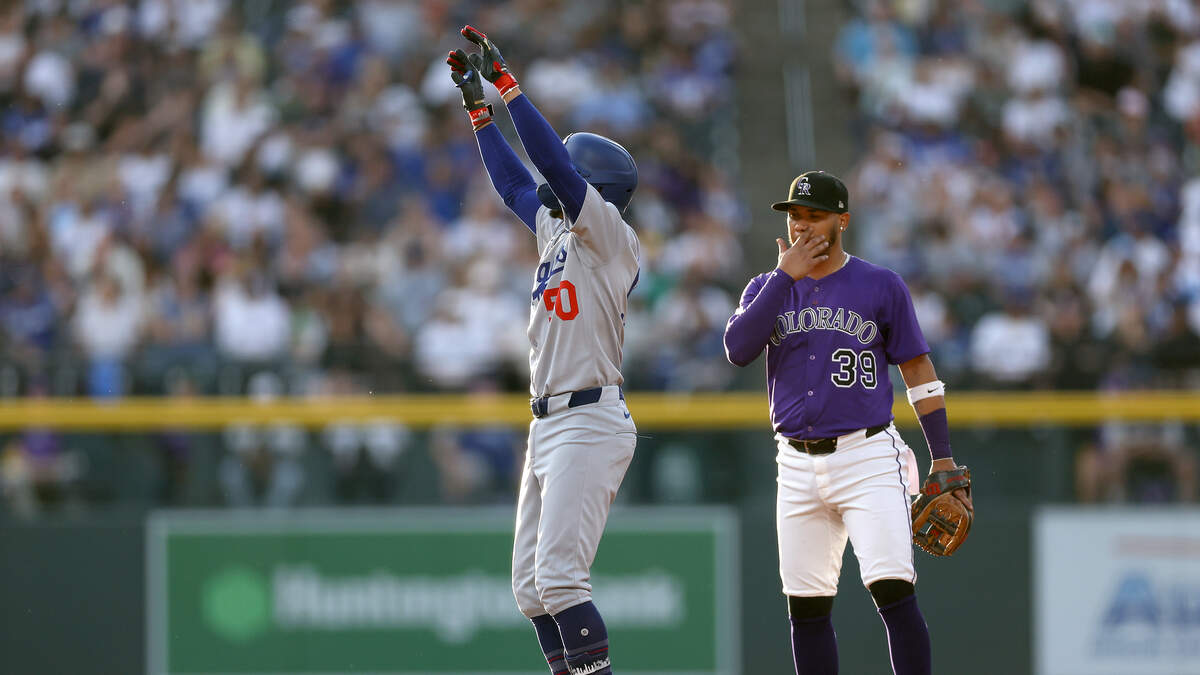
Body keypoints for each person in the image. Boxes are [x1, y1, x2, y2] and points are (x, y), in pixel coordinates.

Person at [723, 171, 974, 675]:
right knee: (807, 608)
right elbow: (738, 349)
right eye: (795, 216)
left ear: (843, 221)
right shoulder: (767, 287)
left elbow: (918, 372)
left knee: (893, 592)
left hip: (867, 456)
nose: (802, 226)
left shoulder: (880, 284)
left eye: (815, 216)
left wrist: (942, 456)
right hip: (794, 462)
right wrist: (784, 277)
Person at [448, 25, 640, 675]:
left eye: (572, 168)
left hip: (588, 416)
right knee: (531, 590)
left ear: (595, 185)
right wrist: (480, 115)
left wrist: (509, 87)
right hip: (548, 420)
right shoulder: (558, 229)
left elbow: (553, 166)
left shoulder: (609, 235)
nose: (557, 172)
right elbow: (514, 186)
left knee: (560, 580)